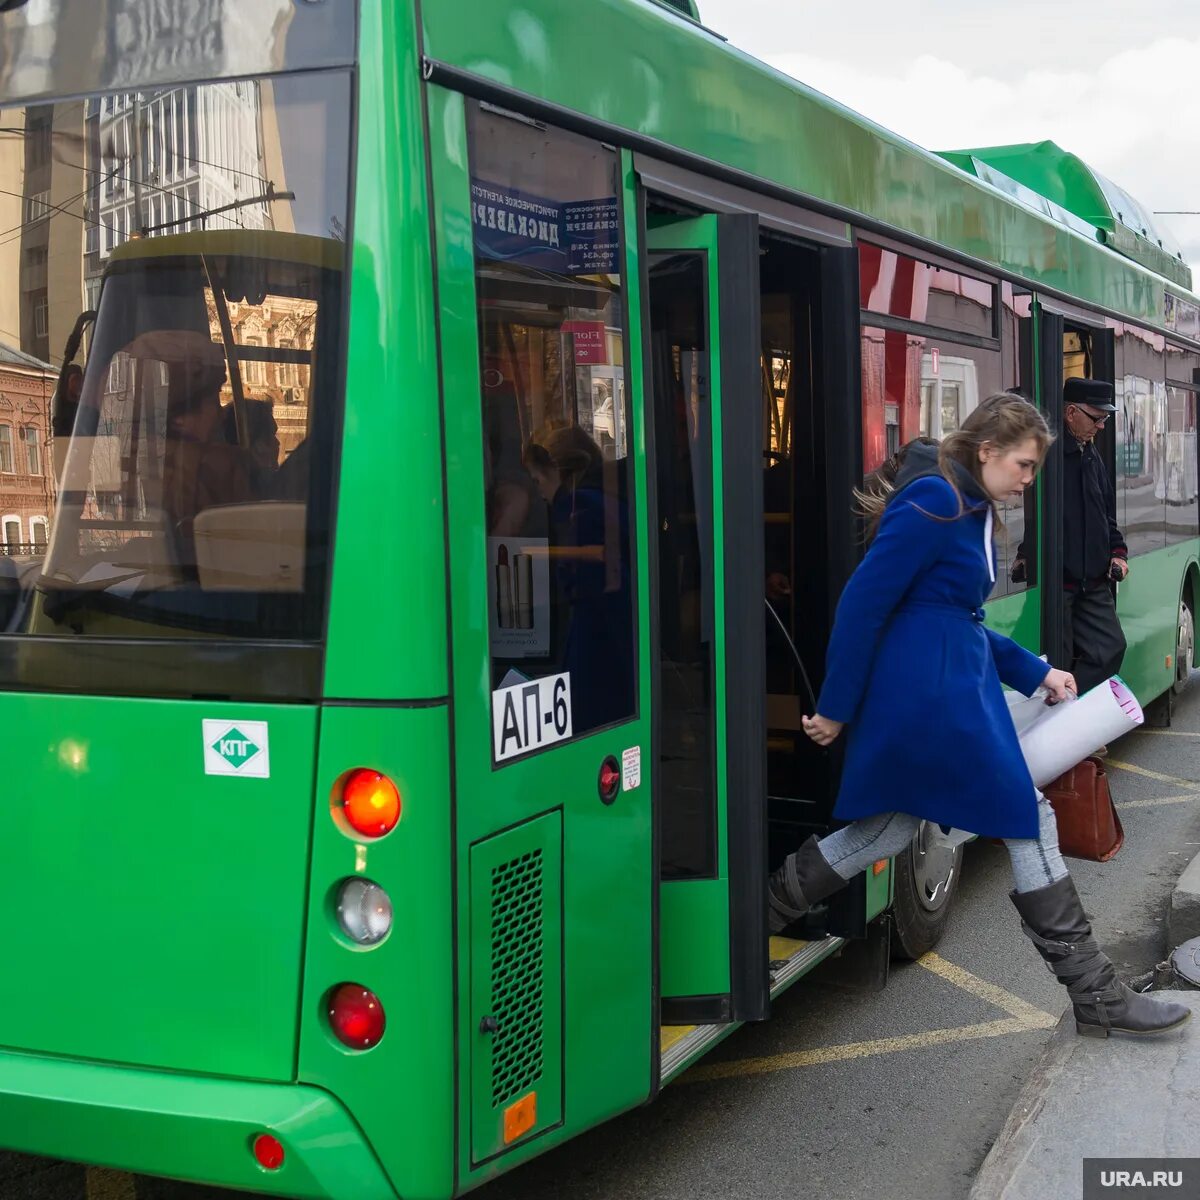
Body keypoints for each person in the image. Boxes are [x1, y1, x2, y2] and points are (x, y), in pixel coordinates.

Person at [768, 393, 1189, 1039]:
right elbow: (862, 605)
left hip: (942, 691)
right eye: (1022, 465)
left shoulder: (966, 503)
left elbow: (952, 615)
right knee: (1028, 816)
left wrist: (1036, 671)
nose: (1028, 480)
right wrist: (835, 709)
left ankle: (760, 914)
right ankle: (1097, 996)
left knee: (884, 832)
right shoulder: (937, 501)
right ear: (987, 451)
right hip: (932, 702)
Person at [1013, 377, 1127, 694]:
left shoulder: (1090, 454)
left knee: (1111, 647)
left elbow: (1106, 513)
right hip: (1058, 580)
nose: (1102, 426)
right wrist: (1026, 553)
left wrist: (1118, 551)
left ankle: (1073, 704)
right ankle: (1064, 724)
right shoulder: (1047, 456)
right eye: (1097, 418)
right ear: (1071, 412)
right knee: (1054, 657)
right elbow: (1034, 515)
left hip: (1092, 579)